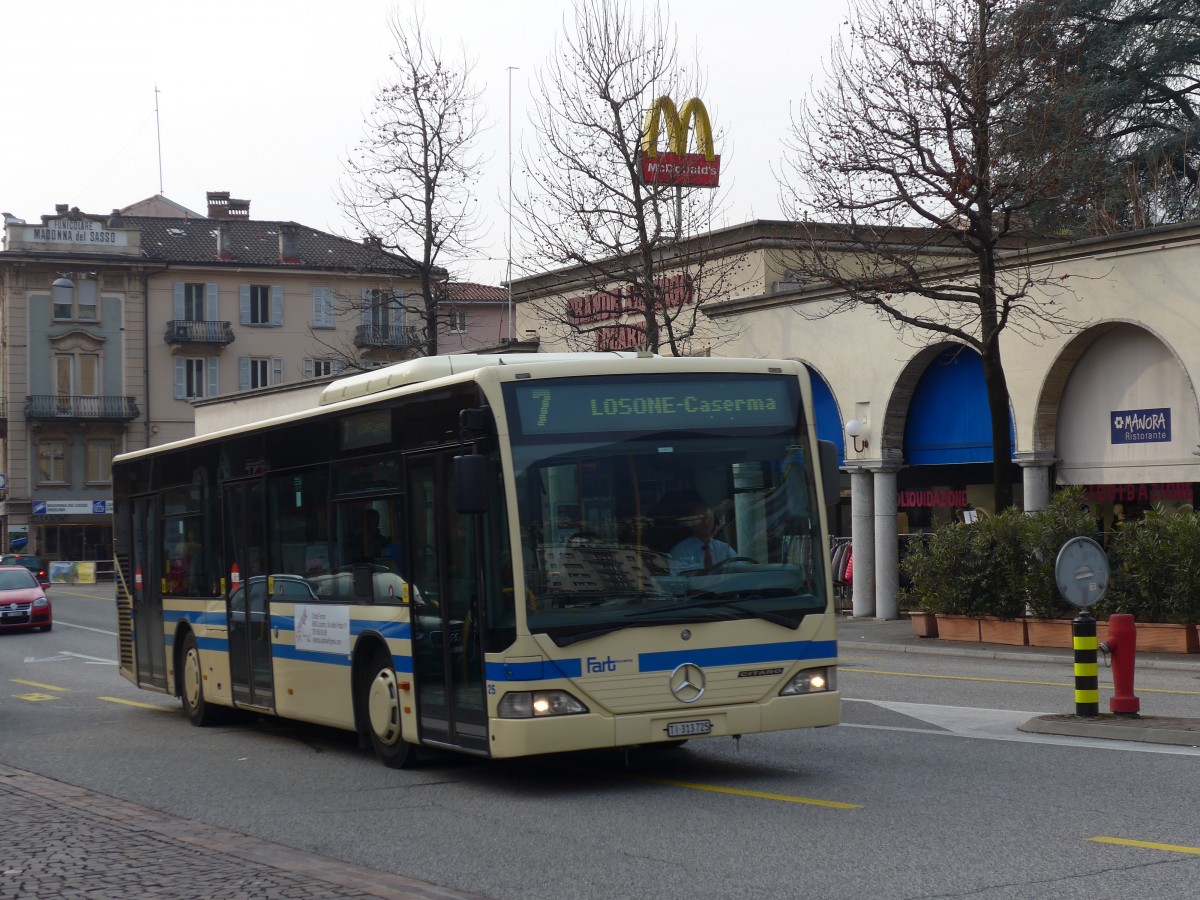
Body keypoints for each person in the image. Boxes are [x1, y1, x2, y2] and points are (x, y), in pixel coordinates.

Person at [669, 501, 734, 574]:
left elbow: (741, 570)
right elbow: (678, 582)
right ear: (691, 524)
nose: (706, 523)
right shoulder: (680, 552)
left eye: (709, 519)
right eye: (701, 519)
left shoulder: (725, 549)